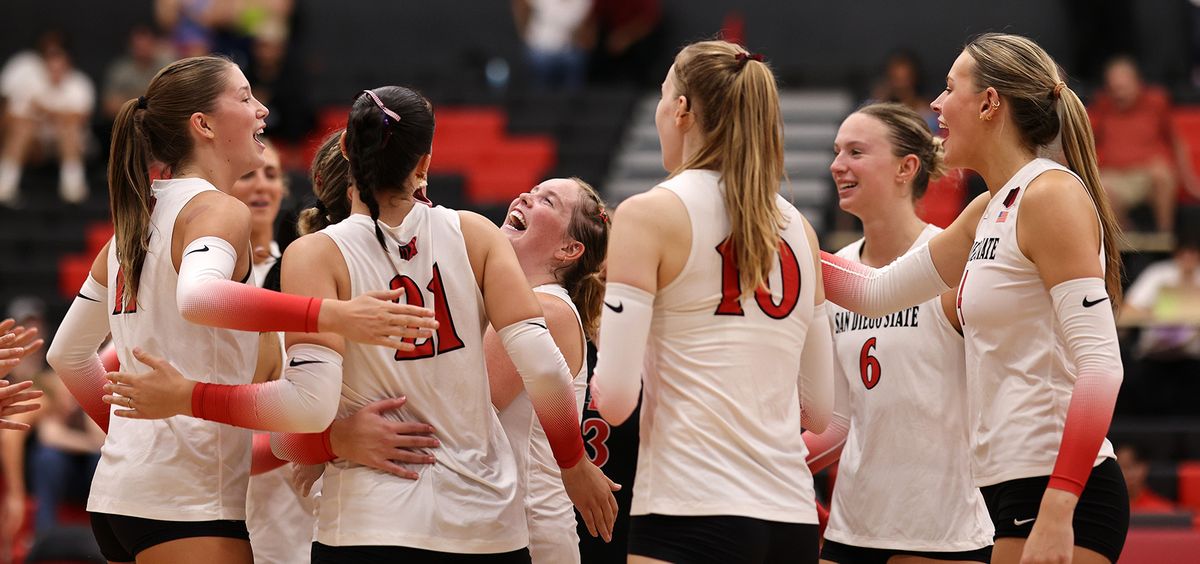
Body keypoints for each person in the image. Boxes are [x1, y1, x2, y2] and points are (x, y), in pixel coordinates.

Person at [103, 85, 617, 562]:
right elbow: (546, 372)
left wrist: (193, 397)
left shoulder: (313, 256)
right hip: (484, 523)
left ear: (345, 149)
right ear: (425, 164)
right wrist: (572, 464)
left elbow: (298, 420)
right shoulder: (475, 233)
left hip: (368, 521)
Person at [44, 57, 437, 564]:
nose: (262, 109)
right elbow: (200, 298)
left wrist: (132, 435)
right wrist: (331, 315)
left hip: (123, 496)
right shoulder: (217, 209)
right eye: (246, 97)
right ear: (203, 125)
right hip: (186, 504)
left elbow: (67, 355)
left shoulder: (135, 223)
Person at [820, 33, 1129, 564]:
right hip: (1010, 484)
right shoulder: (987, 208)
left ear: (989, 104)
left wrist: (1059, 507)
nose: (936, 105)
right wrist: (775, 238)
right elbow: (875, 293)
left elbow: (1101, 366)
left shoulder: (1050, 194)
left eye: (947, 88)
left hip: (1059, 484)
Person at [590, 40, 834, 563]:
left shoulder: (648, 214)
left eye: (662, 96)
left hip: (690, 510)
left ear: (681, 110)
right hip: (790, 520)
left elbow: (613, 400)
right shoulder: (802, 232)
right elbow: (819, 409)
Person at [808, 102, 993, 563]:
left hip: (941, 525)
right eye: (836, 152)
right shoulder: (837, 272)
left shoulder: (952, 260)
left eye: (856, 151)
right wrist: (774, 461)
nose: (837, 165)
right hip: (854, 523)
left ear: (906, 168)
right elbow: (838, 418)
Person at [1088, 55, 1200, 233]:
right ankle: (1121, 240)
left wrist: (1191, 182)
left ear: (1137, 83)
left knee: (1161, 174)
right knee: (1100, 186)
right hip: (1116, 176)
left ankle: (1165, 235)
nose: (1119, 93)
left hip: (1149, 174)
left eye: (1123, 88)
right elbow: (1087, 143)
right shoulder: (1102, 105)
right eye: (1114, 88)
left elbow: (1177, 142)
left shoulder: (1156, 102)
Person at [0, 32, 95, 205]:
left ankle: (73, 189)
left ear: (67, 63)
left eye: (59, 61)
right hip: (37, 145)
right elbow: (14, 116)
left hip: (72, 145)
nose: (55, 67)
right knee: (22, 130)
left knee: (68, 130)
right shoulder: (33, 82)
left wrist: (46, 111)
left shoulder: (79, 84)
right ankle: (5, 187)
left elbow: (79, 118)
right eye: (50, 62)